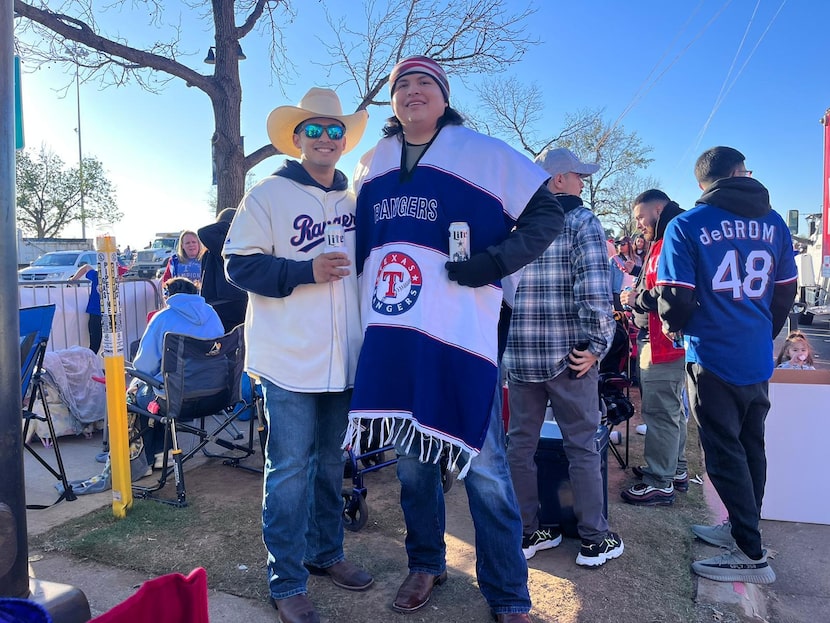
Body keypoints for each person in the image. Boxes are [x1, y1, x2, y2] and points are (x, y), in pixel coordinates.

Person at [346, 56, 564, 623]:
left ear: (444, 98)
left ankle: (509, 592)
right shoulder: (373, 163)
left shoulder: (482, 153)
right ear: (392, 102)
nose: (413, 92)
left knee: (486, 466)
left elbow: (546, 216)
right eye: (402, 86)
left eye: (425, 84)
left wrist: (495, 261)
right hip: (394, 329)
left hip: (462, 333)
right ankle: (426, 562)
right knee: (414, 462)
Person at [223, 87, 372, 623]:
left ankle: (326, 553)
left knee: (331, 464)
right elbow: (237, 265)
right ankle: (286, 580)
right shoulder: (267, 194)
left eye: (336, 131)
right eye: (316, 129)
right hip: (287, 358)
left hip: (345, 356)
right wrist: (303, 272)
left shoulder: (357, 199)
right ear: (296, 137)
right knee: (288, 469)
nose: (326, 138)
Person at [657, 146, 798, 584]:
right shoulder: (774, 223)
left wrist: (674, 328)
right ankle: (743, 529)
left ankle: (751, 554)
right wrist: (758, 329)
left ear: (703, 182)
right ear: (739, 173)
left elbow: (674, 297)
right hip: (755, 354)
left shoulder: (686, 225)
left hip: (712, 353)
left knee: (723, 453)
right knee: (751, 446)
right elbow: (785, 292)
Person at [503, 147, 623, 569]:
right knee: (581, 446)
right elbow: (593, 289)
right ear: (558, 181)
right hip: (569, 354)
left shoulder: (518, 226)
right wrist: (597, 346)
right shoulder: (581, 221)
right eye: (577, 176)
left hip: (521, 355)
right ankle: (594, 537)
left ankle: (527, 530)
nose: (582, 183)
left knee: (520, 445)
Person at [620, 189, 688, 507]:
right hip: (664, 338)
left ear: (658, 209)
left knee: (661, 411)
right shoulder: (668, 235)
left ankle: (661, 480)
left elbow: (667, 292)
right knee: (671, 410)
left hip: (665, 341)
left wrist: (636, 299)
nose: (638, 225)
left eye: (640, 216)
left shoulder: (673, 236)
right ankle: (675, 470)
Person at [131, 277, 224, 468]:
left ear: (168, 295)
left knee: (136, 396)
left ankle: (151, 456)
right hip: (216, 396)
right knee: (160, 388)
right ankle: (160, 453)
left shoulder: (163, 318)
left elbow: (143, 367)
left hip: (177, 401)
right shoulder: (212, 314)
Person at [198, 208, 248, 332]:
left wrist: (230, 224)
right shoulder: (222, 245)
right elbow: (204, 232)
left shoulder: (229, 246)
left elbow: (204, 232)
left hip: (229, 303)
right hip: (222, 302)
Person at [609, 236, 640, 310]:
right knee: (620, 318)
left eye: (623, 244)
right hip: (618, 292)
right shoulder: (614, 260)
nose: (620, 246)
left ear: (629, 244)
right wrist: (610, 297)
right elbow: (609, 279)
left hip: (632, 292)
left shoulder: (637, 259)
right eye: (618, 244)